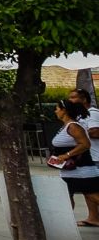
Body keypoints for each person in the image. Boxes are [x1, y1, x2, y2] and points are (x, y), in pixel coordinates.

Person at [47, 97, 98, 227]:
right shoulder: (65, 126)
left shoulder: (73, 126)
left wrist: (66, 155)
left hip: (82, 171)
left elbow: (85, 144)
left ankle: (64, 223)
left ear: (64, 110)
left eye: (57, 108)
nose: (55, 111)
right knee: (67, 197)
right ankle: (65, 223)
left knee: (93, 196)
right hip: (68, 172)